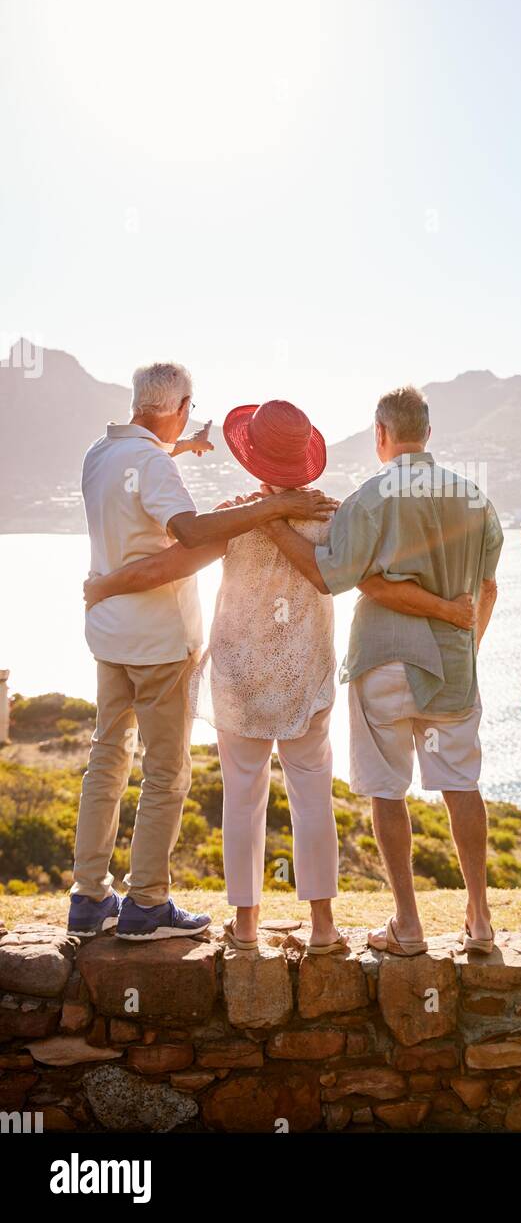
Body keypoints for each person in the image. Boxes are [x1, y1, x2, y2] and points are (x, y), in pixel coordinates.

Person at [84, 397, 476, 953]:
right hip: (304, 676)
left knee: (242, 797)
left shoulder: (233, 517)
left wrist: (105, 585)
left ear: (253, 460)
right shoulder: (330, 518)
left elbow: (172, 564)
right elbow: (371, 572)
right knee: (312, 795)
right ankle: (322, 926)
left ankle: (245, 927)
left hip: (239, 677)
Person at [70, 363, 336, 942]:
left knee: (106, 759)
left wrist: (105, 586)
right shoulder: (322, 517)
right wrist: (268, 510)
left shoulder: (100, 454)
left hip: (110, 634)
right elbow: (184, 541)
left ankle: (89, 897)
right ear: (182, 405)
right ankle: (146, 905)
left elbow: (164, 511)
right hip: (160, 640)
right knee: (165, 774)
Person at [259, 386, 503, 956]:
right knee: (461, 785)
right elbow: (487, 588)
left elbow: (328, 577)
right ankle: (481, 918)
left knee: (387, 792)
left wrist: (273, 526)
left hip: (384, 662)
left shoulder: (369, 499)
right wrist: (468, 646)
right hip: (452, 668)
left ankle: (408, 925)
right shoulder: (474, 498)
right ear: (428, 433)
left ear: (381, 435)